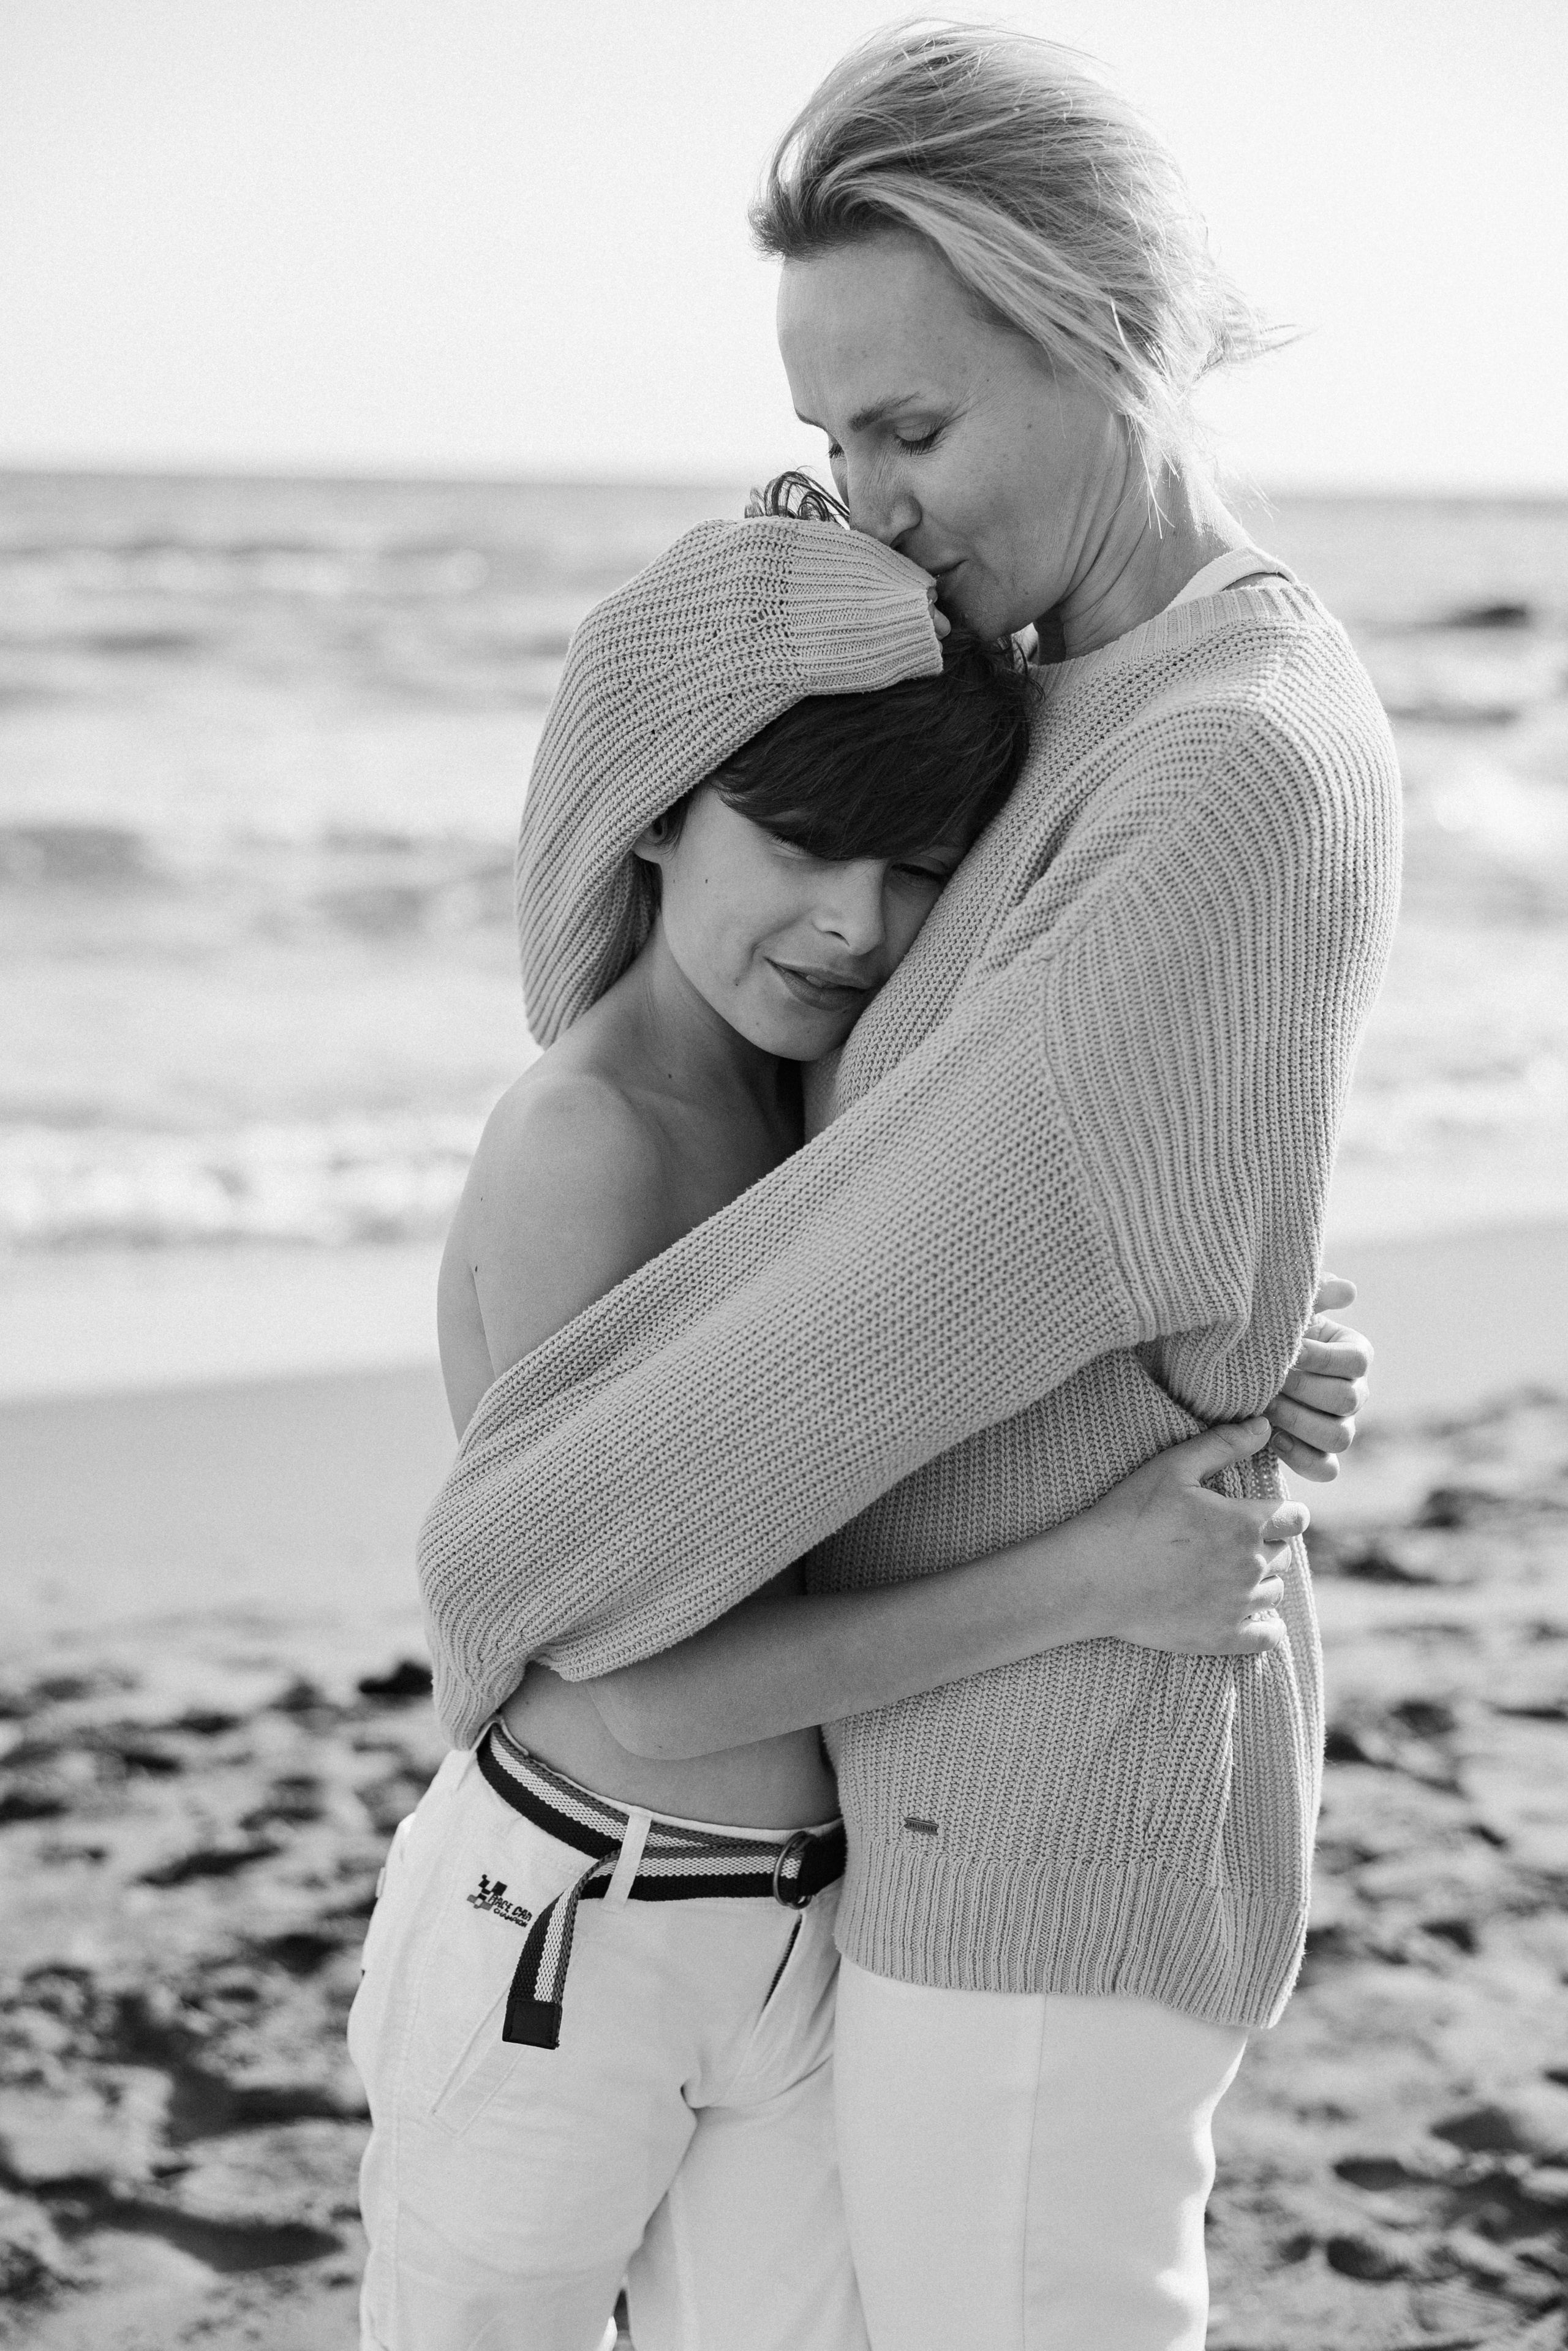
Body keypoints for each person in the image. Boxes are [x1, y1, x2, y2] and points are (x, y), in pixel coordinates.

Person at [416, 26, 1400, 2351]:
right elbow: (1010, 1164)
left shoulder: (1229, 760)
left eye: (916, 429)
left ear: (1112, 331)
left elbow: (898, 1296)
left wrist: (526, 1545)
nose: (875, 504)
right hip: (905, 1809)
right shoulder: (1065, 688)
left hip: (1050, 1820)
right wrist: (1249, 1299)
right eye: (832, 441)